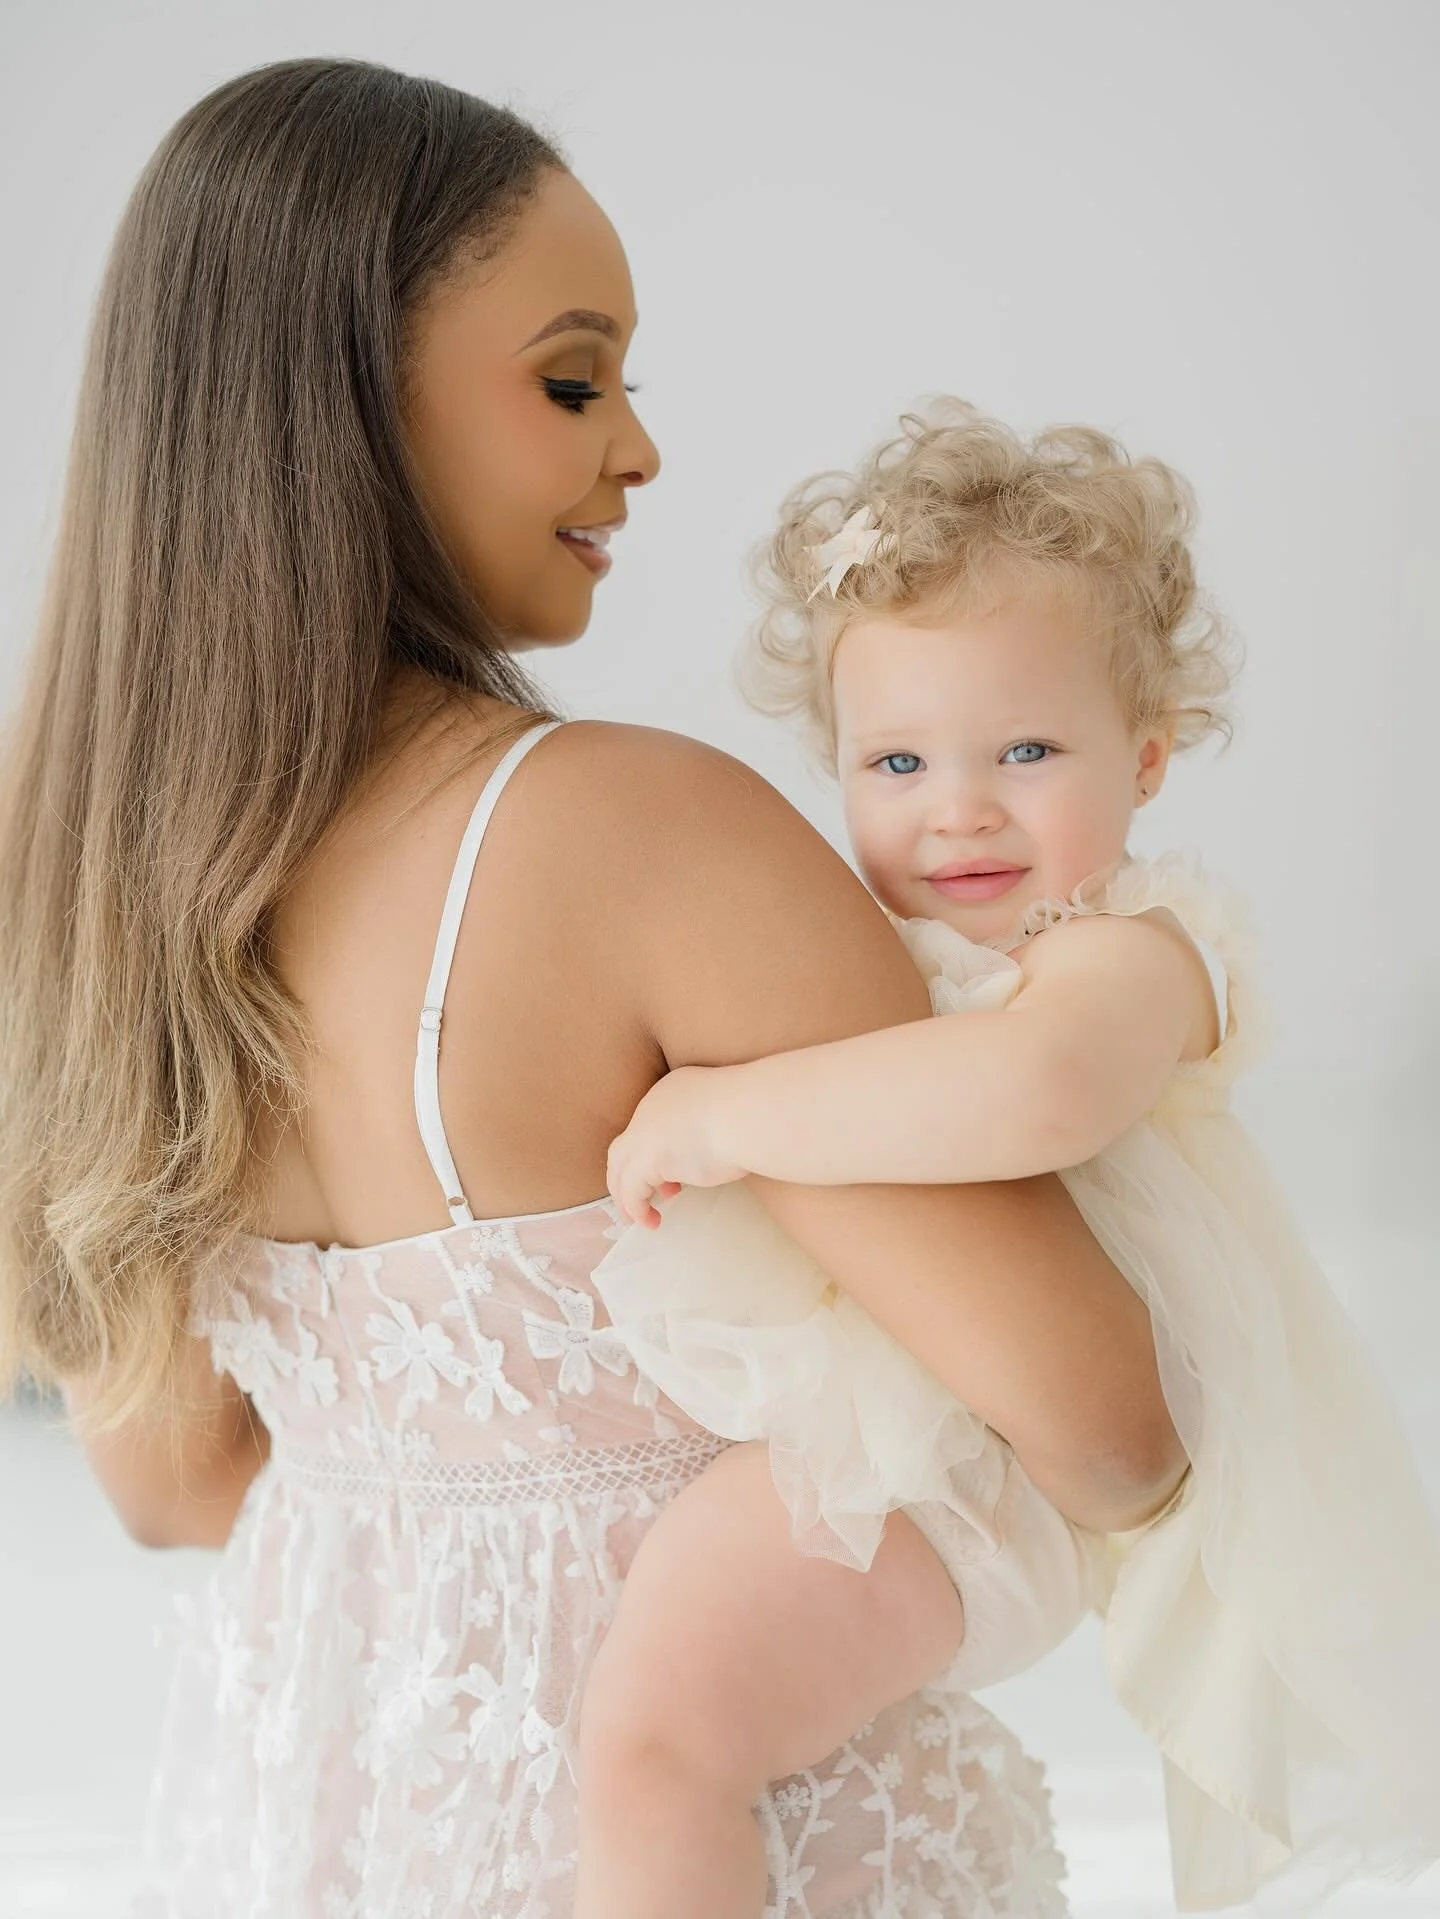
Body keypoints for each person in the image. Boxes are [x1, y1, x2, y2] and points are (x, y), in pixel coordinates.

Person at [0, 62, 1186, 1918]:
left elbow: (173, 1489)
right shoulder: (636, 836)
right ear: (345, 404)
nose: (639, 449)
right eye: (573, 379)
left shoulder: (74, 910)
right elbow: (1103, 1424)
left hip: (359, 1832)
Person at [597, 405, 1440, 1914]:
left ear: (1151, 757)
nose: (958, 808)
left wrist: (726, 1110)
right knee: (671, 1705)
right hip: (907, 1408)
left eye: (1027, 749)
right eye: (898, 758)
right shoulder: (874, 946)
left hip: (981, 1451)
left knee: (664, 1727)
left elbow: (1031, 1094)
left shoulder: (1137, 954)